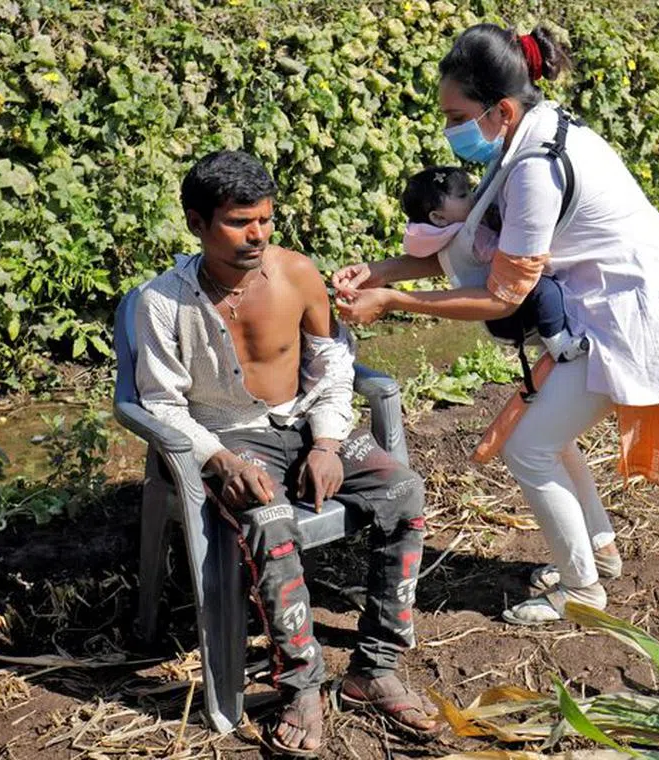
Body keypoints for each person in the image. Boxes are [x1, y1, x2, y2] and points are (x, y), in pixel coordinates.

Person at [334, 25, 659, 626]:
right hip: (605, 305)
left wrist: (393, 301)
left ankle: (582, 592)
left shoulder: (534, 168)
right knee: (549, 435)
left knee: (529, 448)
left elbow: (501, 294)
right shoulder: (530, 134)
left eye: (456, 115)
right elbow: (475, 244)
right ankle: (598, 552)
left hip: (636, 316)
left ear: (499, 108)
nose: (449, 130)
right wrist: (382, 271)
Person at [134, 150, 439, 755]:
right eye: (239, 222)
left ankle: (373, 668)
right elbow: (160, 405)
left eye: (266, 221)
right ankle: (301, 683)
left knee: (404, 489)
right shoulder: (162, 303)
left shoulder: (297, 274)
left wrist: (328, 441)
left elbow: (332, 364)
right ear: (197, 222)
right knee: (270, 522)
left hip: (305, 422)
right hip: (232, 438)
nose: (257, 235)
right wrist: (217, 459)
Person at [401, 166, 588, 362]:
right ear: (438, 217)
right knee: (546, 291)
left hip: (497, 314)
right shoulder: (470, 238)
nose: (472, 197)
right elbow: (507, 255)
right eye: (463, 195)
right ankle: (561, 346)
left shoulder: (451, 234)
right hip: (506, 311)